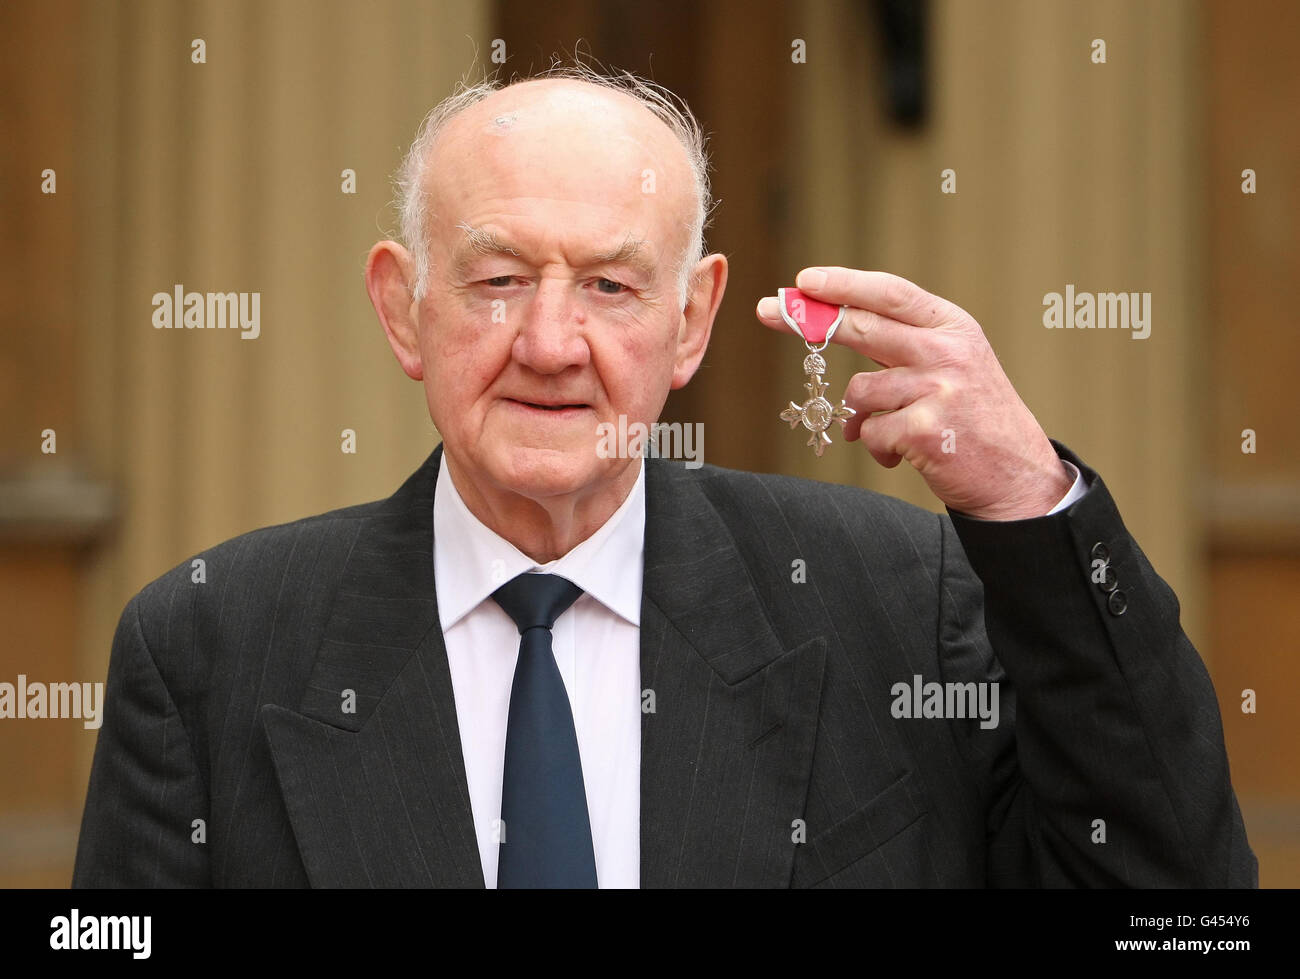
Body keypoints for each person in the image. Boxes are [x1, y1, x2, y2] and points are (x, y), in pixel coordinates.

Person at [72, 66, 1257, 888]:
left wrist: (1028, 506)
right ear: (402, 307)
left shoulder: (905, 608)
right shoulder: (209, 645)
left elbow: (1172, 902)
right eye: (496, 282)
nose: (549, 343)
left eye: (609, 286)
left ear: (690, 321)